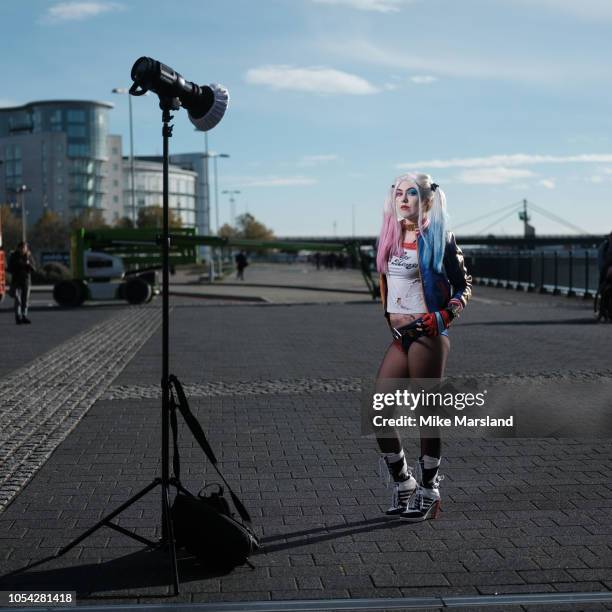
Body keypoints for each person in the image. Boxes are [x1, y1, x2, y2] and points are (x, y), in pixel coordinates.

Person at [374, 172, 471, 522]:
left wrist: (443, 318)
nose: (403, 199)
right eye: (398, 192)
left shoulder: (441, 239)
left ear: (426, 201)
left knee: (425, 413)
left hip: (428, 333)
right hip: (401, 337)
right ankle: (405, 484)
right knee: (379, 413)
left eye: (411, 193)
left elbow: (464, 287)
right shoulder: (390, 238)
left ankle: (430, 492)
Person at [7, 241, 36, 325]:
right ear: (18, 248)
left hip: (26, 281)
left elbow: (34, 269)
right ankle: (18, 316)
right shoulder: (14, 256)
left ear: (27, 248)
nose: (23, 249)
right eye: (21, 248)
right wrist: (18, 265)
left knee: (25, 300)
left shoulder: (29, 256)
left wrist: (28, 264)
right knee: (18, 300)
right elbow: (10, 268)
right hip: (16, 280)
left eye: (25, 248)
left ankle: (24, 316)